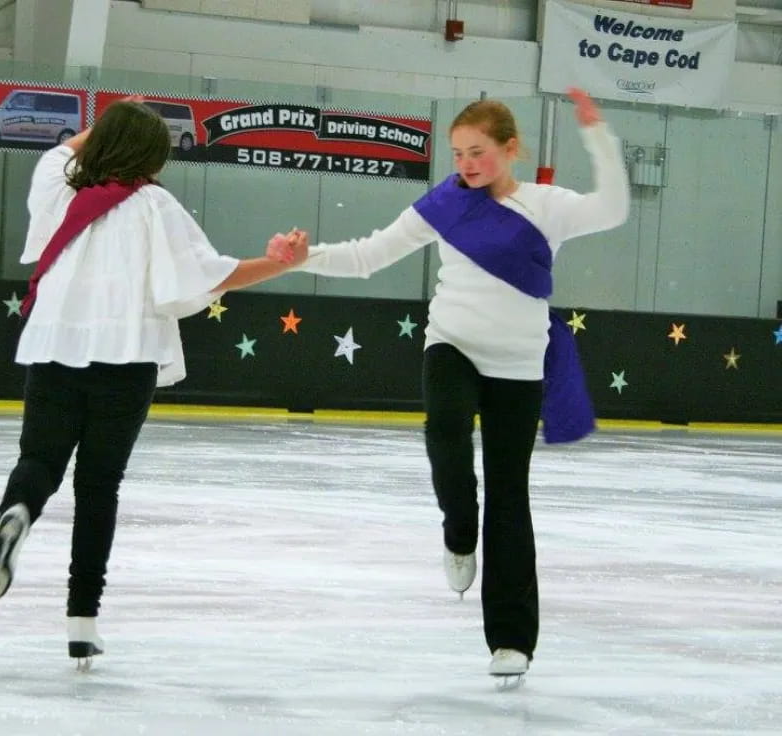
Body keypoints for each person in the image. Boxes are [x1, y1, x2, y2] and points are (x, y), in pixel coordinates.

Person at [268, 88, 629, 679]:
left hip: (517, 366)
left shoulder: (548, 206)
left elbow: (613, 208)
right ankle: (460, 533)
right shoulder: (443, 205)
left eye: (478, 151)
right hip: (452, 345)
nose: (465, 164)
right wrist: (301, 258)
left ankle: (511, 640)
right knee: (447, 439)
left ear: (510, 150)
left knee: (510, 497)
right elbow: (368, 256)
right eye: (458, 152)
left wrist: (598, 137)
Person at [0, 98, 308, 668]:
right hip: (126, 359)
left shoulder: (58, 189)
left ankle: (20, 513)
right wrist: (280, 262)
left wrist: (108, 121)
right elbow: (214, 275)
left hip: (55, 348)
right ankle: (82, 622)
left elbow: (67, 149)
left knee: (39, 460)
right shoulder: (155, 207)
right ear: (152, 157)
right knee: (98, 487)